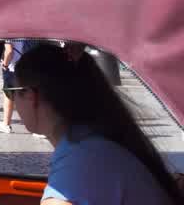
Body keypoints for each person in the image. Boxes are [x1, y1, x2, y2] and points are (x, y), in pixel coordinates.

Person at [10, 43, 182, 203]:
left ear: (30, 95)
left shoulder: (79, 163)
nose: (12, 101)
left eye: (12, 92)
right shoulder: (91, 145)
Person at [0, 39, 30, 134]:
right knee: (23, 95)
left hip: (12, 68)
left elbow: (9, 51)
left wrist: (5, 65)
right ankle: (36, 128)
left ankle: (6, 124)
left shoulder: (9, 33)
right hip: (25, 66)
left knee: (8, 95)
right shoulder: (23, 32)